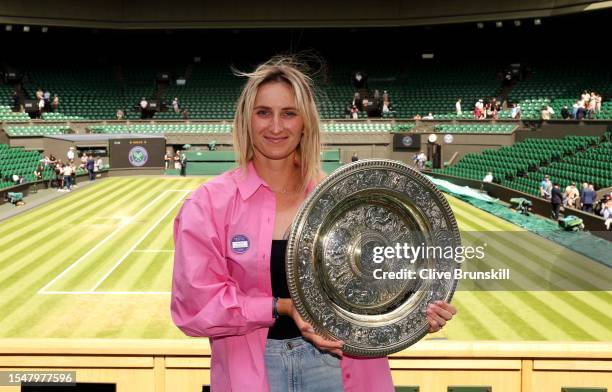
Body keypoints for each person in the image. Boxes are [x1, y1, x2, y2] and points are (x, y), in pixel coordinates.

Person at [170, 57, 456, 392]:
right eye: (263, 112)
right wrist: (283, 307)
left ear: (305, 121)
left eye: (288, 113)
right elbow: (194, 307)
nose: (275, 126)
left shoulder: (345, 197)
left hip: (341, 366)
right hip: (254, 370)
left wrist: (418, 312)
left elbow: (383, 285)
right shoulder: (208, 203)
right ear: (246, 120)